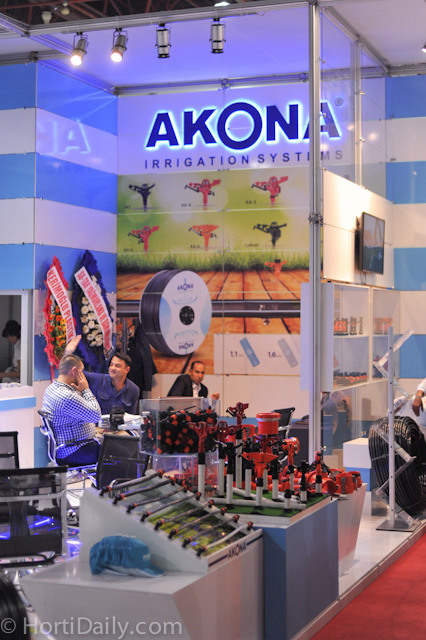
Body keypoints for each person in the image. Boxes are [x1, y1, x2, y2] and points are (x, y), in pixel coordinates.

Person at [42, 354, 102, 465]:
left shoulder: (51, 389)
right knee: (119, 450)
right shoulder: (66, 396)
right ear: (74, 371)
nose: (83, 375)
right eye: (81, 371)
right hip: (75, 450)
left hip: (66, 448)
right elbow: (96, 416)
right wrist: (86, 389)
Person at [65, 335, 140, 415]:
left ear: (127, 369)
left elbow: (131, 417)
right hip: (97, 423)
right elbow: (75, 372)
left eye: (117, 366)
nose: (113, 368)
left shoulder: (134, 390)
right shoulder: (97, 380)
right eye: (111, 365)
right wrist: (68, 353)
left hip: (121, 423)